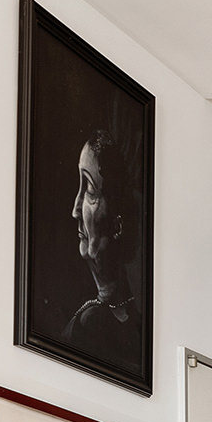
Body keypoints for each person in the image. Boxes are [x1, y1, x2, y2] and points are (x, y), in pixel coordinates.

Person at [63, 126, 140, 367]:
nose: (75, 210)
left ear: (118, 225)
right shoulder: (90, 319)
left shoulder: (95, 322)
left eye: (88, 189)